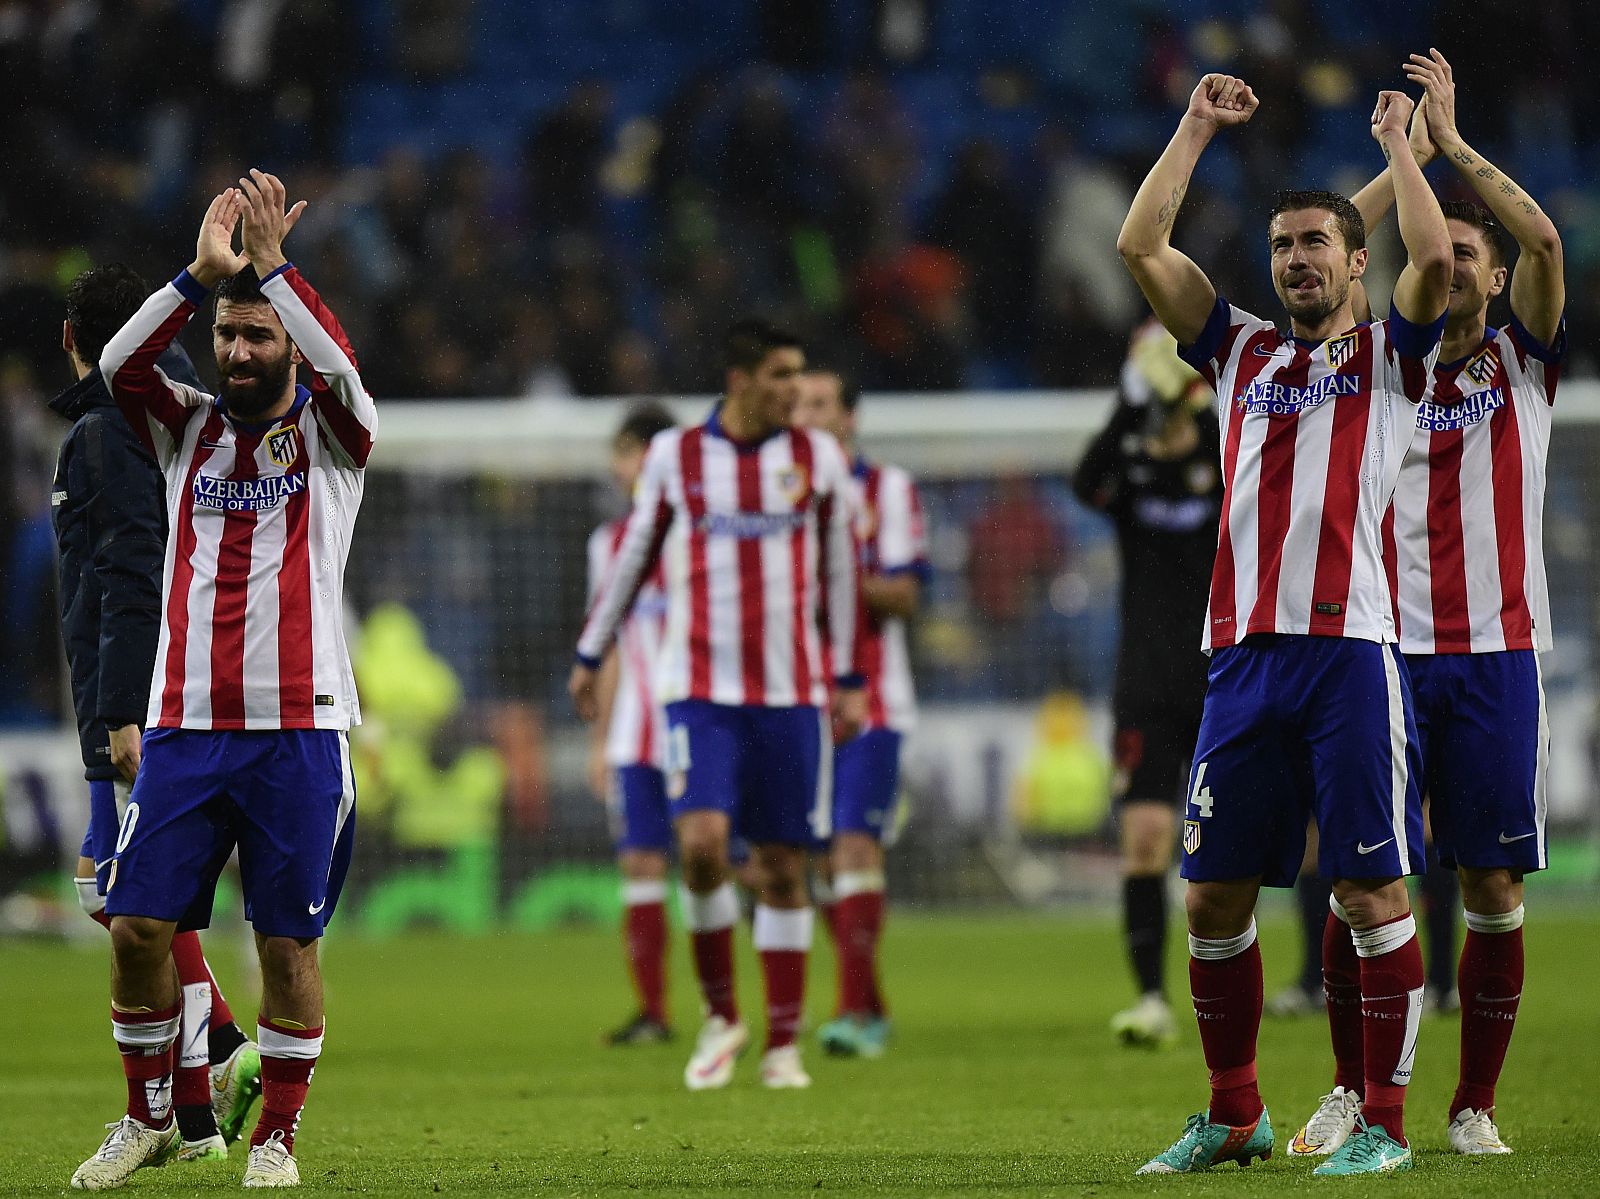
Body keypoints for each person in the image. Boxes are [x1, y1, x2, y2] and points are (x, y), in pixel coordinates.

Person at [1116, 73, 1452, 1176]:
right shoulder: (1241, 353)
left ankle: (1386, 1124)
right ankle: (1235, 1109)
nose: (1298, 258)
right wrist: (1197, 126)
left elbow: (1435, 260)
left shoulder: (1391, 359)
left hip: (1349, 655)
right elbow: (1139, 244)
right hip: (1241, 661)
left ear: (1359, 262)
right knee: (1211, 891)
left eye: (1318, 243)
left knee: (1367, 889)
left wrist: (1406, 149)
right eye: (1282, 245)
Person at [72, 171, 376, 1191]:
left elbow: (342, 366)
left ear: (289, 342)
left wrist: (279, 272)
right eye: (229, 335)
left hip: (301, 728)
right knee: (138, 928)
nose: (240, 351)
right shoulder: (184, 426)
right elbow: (116, 363)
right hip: (186, 727)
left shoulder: (334, 440)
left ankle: (278, 1136)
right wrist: (198, 279)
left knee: (286, 947)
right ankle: (147, 1115)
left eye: (259, 336)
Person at [1291, 49, 1564, 1161]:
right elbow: (1339, 249)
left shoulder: (1524, 365)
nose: (1447, 266)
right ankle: (1355, 1092)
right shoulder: (1373, 365)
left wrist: (1447, 146)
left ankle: (1472, 1103)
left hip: (1496, 651)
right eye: (1433, 252)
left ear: (1492, 281)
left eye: (1464, 257)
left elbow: (1543, 239)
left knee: (1491, 880)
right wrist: (1388, 160)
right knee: (1363, 875)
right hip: (1381, 652)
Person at [571, 319, 865, 1092]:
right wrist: (591, 651)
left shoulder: (817, 460)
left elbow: (840, 574)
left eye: (799, 372)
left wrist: (849, 674)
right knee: (701, 846)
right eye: (781, 374)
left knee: (780, 867)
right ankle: (722, 1013)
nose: (795, 389)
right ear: (740, 380)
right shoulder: (678, 457)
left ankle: (782, 1044)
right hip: (698, 693)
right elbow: (634, 557)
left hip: (790, 694)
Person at [51, 264, 263, 1163]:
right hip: (156, 690)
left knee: (124, 892)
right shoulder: (155, 427)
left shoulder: (107, 432)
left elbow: (126, 574)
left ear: (73, 337)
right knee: (144, 901)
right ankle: (202, 1120)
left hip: (135, 701)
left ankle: (217, 1057)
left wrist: (112, 712)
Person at [1072, 319, 1223, 1048]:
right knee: (1146, 838)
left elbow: (1253, 464)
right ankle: (1153, 997)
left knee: (1232, 858)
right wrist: (1130, 402)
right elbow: (1083, 480)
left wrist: (1204, 402)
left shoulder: (1225, 469)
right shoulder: (1129, 475)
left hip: (1225, 678)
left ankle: (1297, 987)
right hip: (1146, 684)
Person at [792, 367, 928, 1060]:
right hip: (792, 697)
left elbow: (904, 594)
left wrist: (829, 578)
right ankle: (868, 1000)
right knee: (812, 862)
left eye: (820, 402)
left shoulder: (889, 490)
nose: (807, 414)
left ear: (849, 417)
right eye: (798, 404)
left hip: (874, 697)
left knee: (853, 846)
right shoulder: (777, 493)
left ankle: (852, 1012)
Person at [585, 402, 679, 1046]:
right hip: (637, 735)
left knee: (742, 865)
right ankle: (655, 1012)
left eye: (630, 450)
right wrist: (601, 738)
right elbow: (610, 643)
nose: (622, 466)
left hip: (701, 723)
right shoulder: (608, 544)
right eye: (619, 453)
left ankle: (752, 1005)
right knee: (642, 866)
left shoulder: (698, 531)